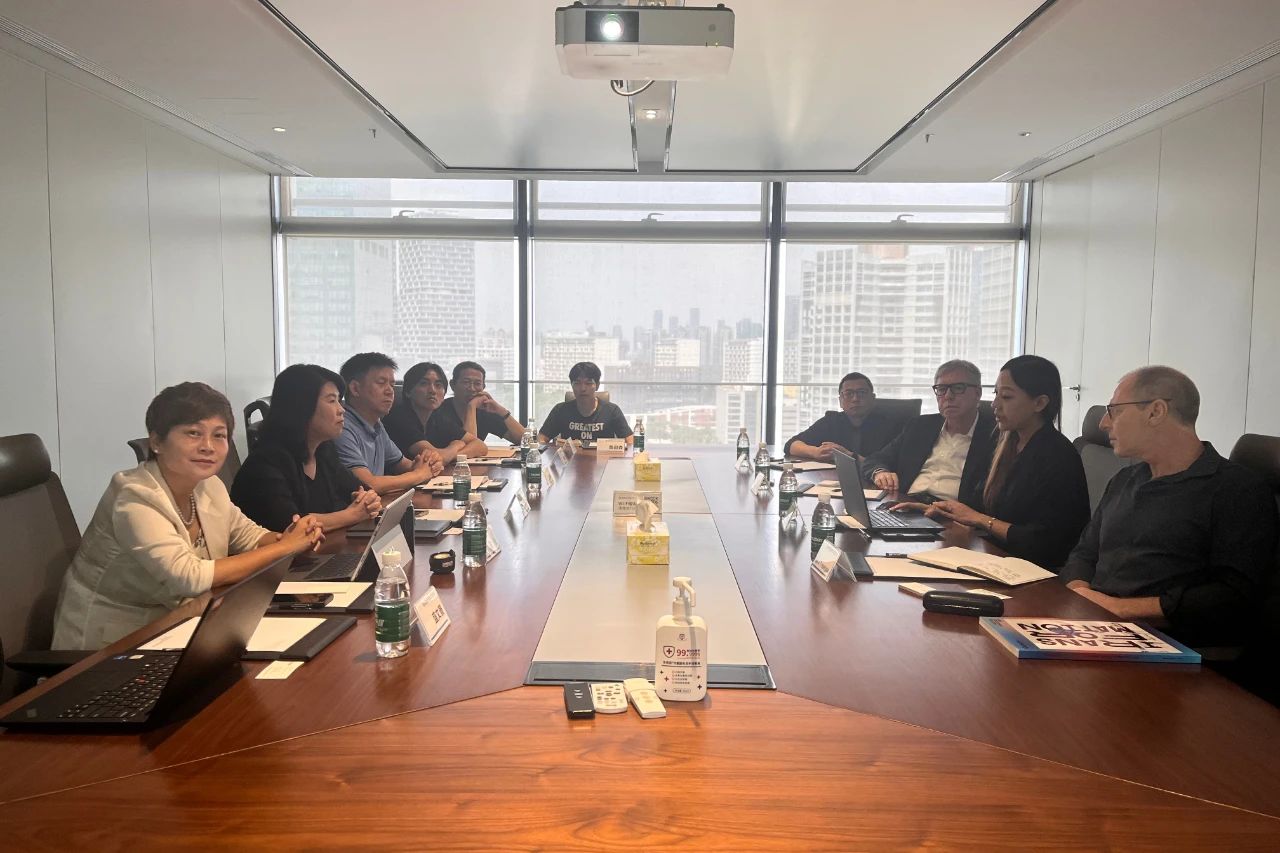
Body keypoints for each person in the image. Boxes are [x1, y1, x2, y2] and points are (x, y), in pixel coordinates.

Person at [52, 382, 325, 650]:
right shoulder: (134, 497)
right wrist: (286, 548)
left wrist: (291, 536)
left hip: (184, 627)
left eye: (219, 435)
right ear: (156, 441)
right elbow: (190, 576)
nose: (208, 446)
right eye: (193, 433)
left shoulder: (209, 486)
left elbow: (249, 536)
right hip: (112, 646)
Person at [1060, 366, 1278, 646]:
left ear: (1156, 412)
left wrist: (1118, 609)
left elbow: (1230, 596)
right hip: (1094, 628)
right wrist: (1081, 593)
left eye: (1115, 410)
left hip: (1168, 645)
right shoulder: (1125, 479)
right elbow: (1084, 553)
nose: (1104, 423)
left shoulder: (1236, 489)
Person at [895, 356, 1090, 568]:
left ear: (1039, 403)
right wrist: (936, 510)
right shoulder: (1010, 444)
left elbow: (1049, 543)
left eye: (1006, 396)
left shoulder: (1057, 456)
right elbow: (983, 506)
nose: (995, 404)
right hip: (993, 556)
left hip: (1029, 569)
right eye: (996, 394)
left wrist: (981, 520)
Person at [232, 364, 383, 532]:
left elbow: (362, 490)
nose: (341, 410)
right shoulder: (264, 465)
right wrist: (352, 515)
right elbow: (292, 525)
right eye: (332, 401)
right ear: (301, 407)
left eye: (339, 401)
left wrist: (367, 500)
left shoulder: (323, 451)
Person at [864, 359, 997, 506]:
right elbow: (875, 459)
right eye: (941, 389)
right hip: (907, 505)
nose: (948, 396)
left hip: (951, 514)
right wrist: (880, 472)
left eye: (958, 388)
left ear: (977, 393)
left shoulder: (995, 436)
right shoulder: (920, 426)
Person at [335, 352, 443, 494]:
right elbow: (367, 484)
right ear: (355, 388)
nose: (390, 391)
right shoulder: (341, 426)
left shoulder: (376, 425)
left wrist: (429, 463)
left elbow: (406, 466)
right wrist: (419, 474)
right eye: (381, 383)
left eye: (392, 385)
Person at [383, 361, 487, 464]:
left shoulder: (437, 418)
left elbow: (480, 446)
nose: (432, 390)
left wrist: (453, 454)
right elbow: (436, 457)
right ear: (408, 391)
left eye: (438, 385)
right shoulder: (399, 418)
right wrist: (456, 445)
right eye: (424, 383)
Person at [784, 372, 903, 461]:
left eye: (861, 393)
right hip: (833, 481)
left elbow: (891, 464)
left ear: (872, 398)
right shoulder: (831, 421)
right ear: (840, 400)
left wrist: (848, 455)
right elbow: (791, 445)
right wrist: (815, 451)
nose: (855, 399)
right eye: (849, 394)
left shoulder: (891, 425)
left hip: (876, 483)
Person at [425, 361, 524, 445]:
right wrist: (471, 407)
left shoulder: (485, 411)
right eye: (466, 382)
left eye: (477, 384)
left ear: (483, 387)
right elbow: (469, 447)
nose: (472, 389)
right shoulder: (439, 411)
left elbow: (524, 440)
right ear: (452, 385)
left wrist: (502, 411)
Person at [537, 361, 633, 445]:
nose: (583, 388)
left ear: (597, 385)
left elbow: (630, 441)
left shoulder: (612, 411)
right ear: (572, 385)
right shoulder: (560, 410)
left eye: (588, 383)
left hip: (603, 459)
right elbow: (541, 439)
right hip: (571, 460)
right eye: (577, 383)